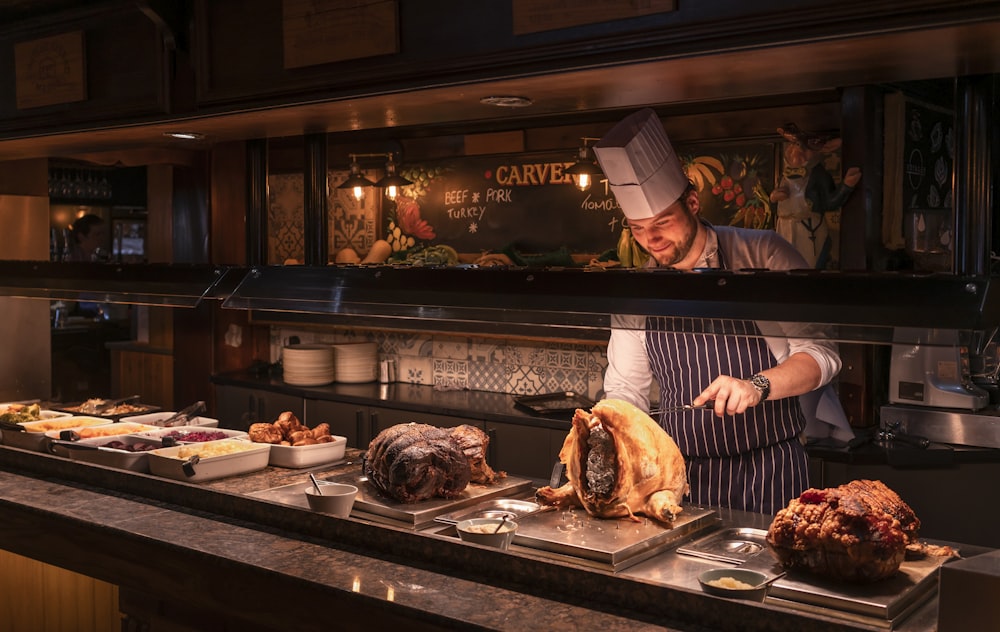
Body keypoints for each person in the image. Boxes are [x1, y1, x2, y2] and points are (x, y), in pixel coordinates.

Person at [593, 109, 845, 515]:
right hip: (678, 480)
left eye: (662, 222)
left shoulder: (764, 252)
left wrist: (756, 385)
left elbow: (822, 354)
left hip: (770, 471)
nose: (650, 239)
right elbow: (627, 391)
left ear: (692, 203)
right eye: (636, 228)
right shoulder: (637, 289)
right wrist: (605, 438)